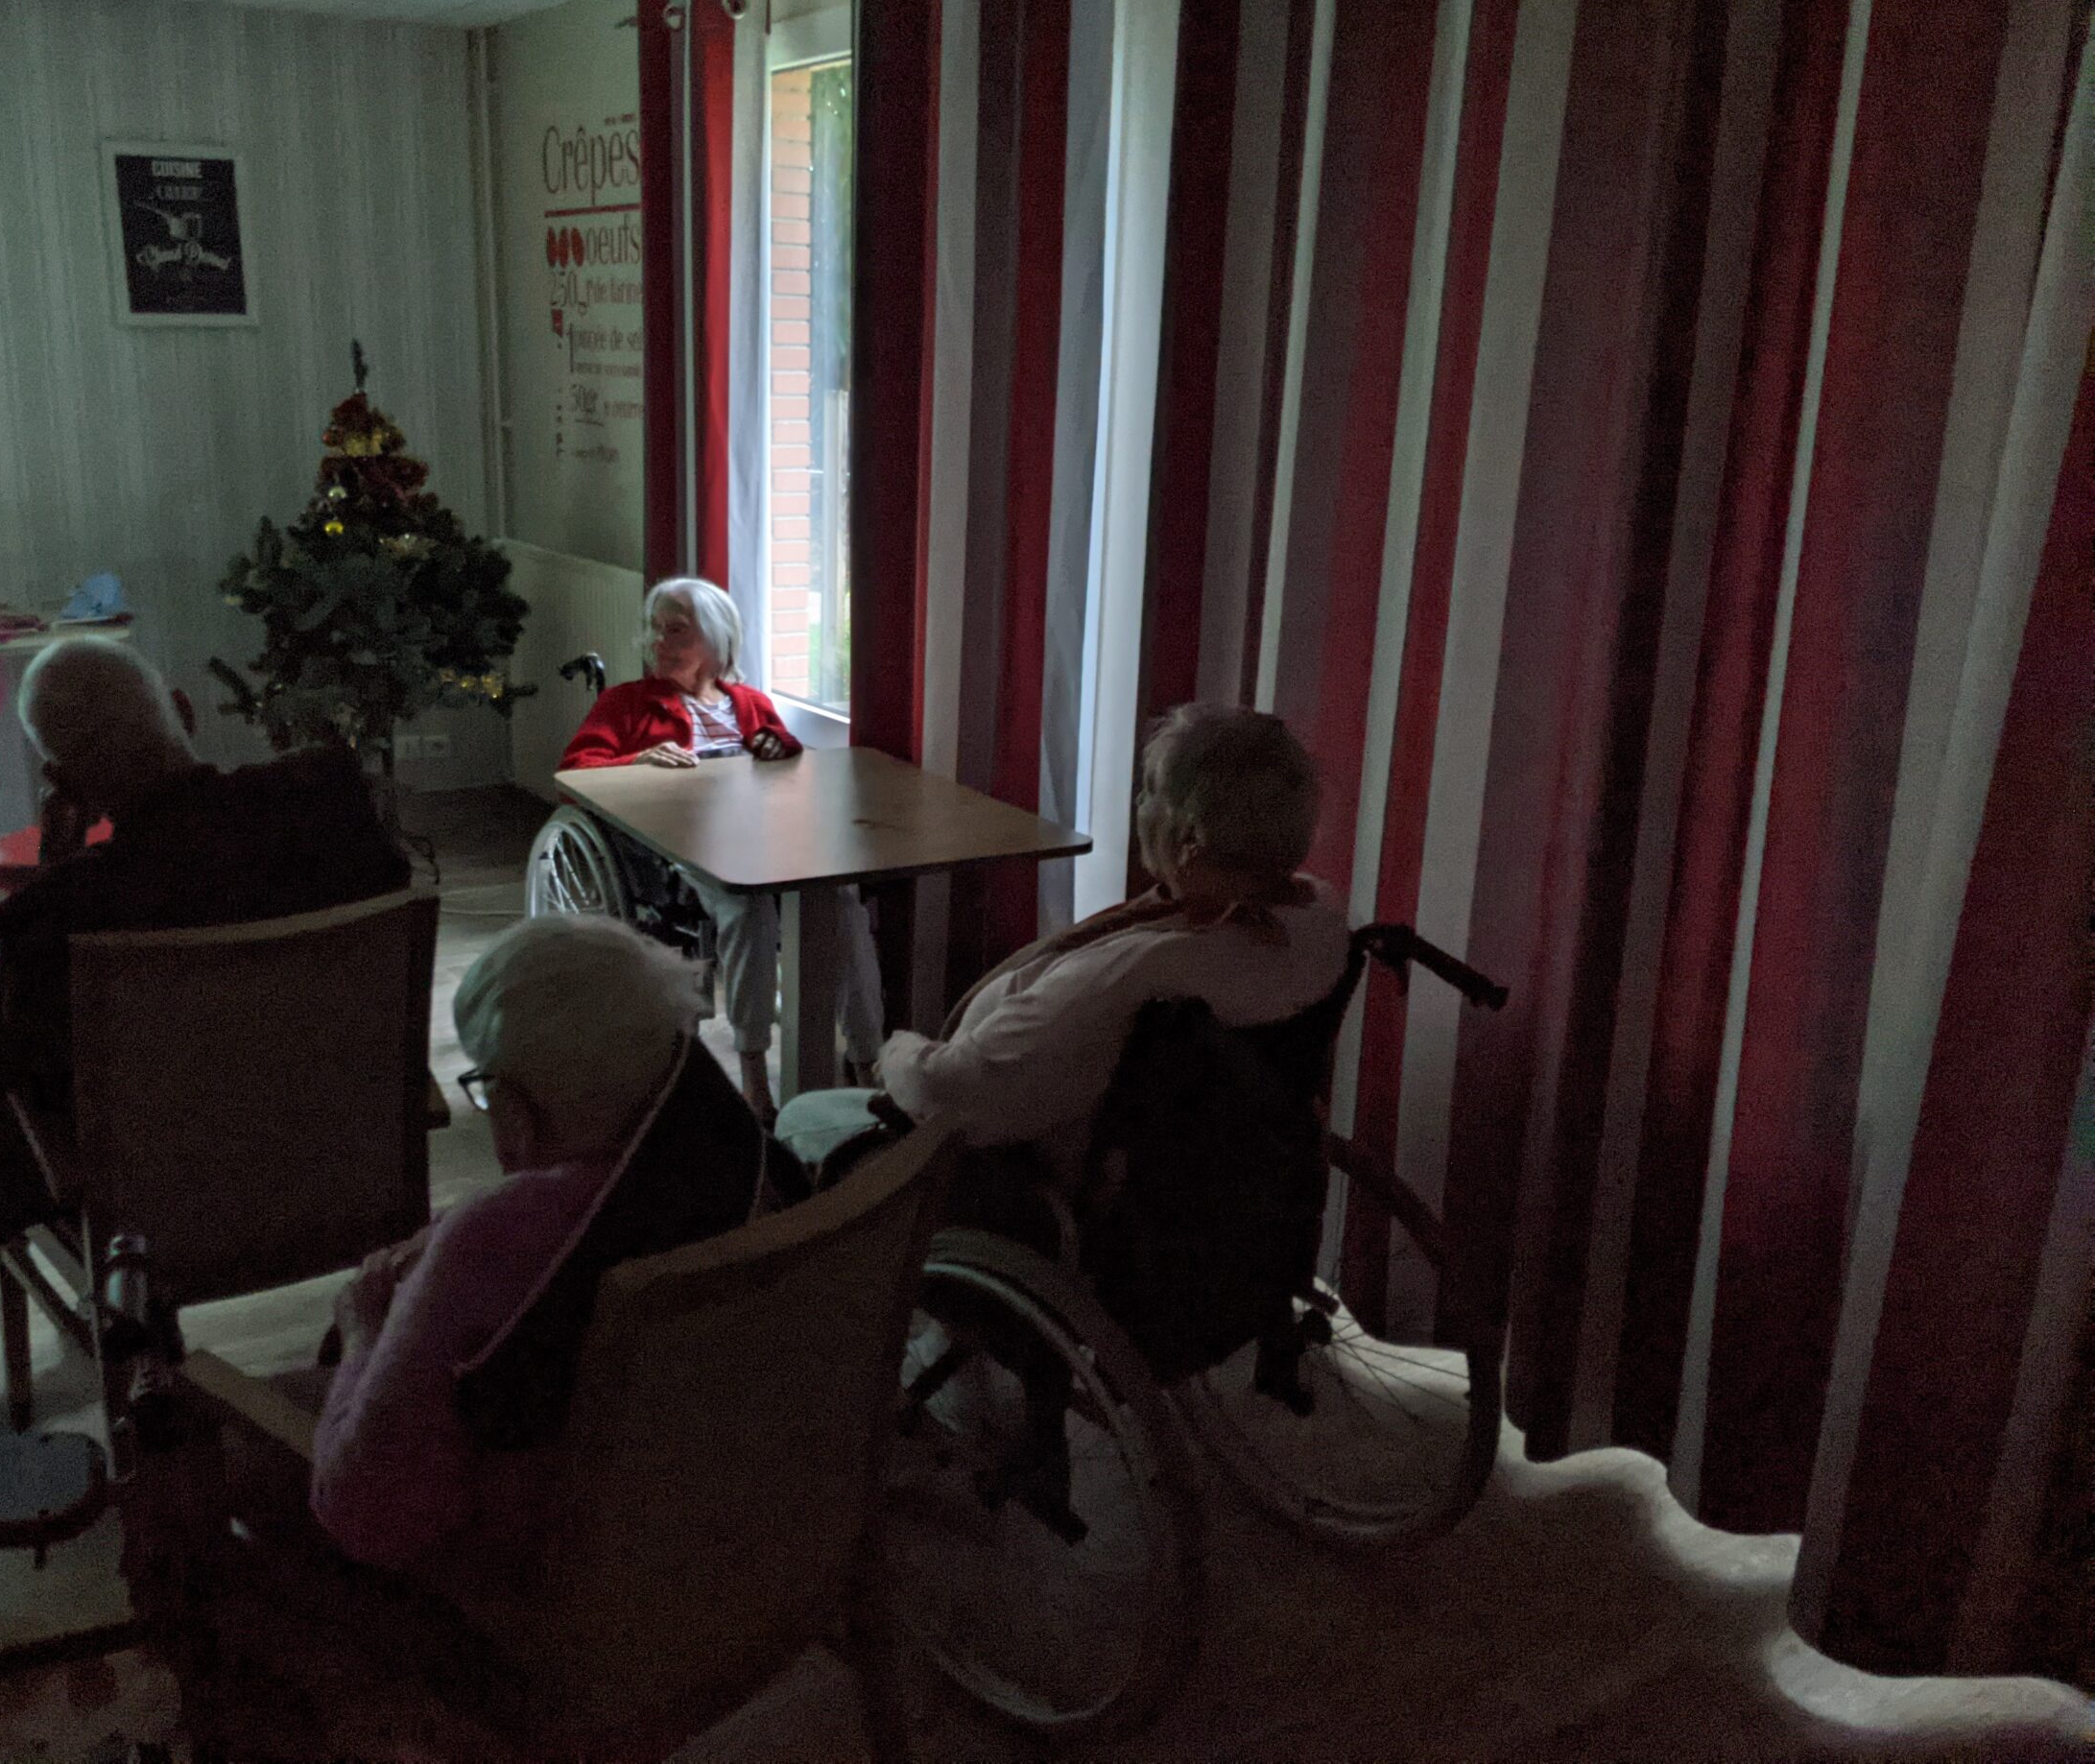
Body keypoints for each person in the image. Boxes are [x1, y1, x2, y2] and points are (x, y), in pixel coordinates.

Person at [0, 636, 410, 1283]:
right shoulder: (332, 804)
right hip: (340, 1152)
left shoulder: (58, 912)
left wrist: (57, 865)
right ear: (182, 709)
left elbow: (13, 1072)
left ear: (64, 779)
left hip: (167, 1202)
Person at [308, 915, 768, 1592]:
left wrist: (363, 1326)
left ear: (517, 1111)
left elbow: (364, 1511)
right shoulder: (730, 1167)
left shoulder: (488, 1242)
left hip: (537, 1575)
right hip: (701, 1532)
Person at [778, 703, 1351, 1197]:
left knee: (801, 1116)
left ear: (1188, 836)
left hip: (1026, 1184)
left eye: (1151, 791)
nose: (1138, 803)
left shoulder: (1136, 974)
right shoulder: (1317, 920)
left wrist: (898, 1051)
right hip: (1208, 1197)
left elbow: (954, 1094)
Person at [558, 576, 882, 1120]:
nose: (658, 642)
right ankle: (753, 1067)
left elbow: (789, 761)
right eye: (654, 629)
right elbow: (573, 773)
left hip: (765, 838)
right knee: (747, 908)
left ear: (715, 639)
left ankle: (867, 1059)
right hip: (679, 848)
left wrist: (778, 750)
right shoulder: (627, 704)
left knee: (843, 902)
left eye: (676, 631)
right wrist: (637, 761)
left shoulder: (750, 703)